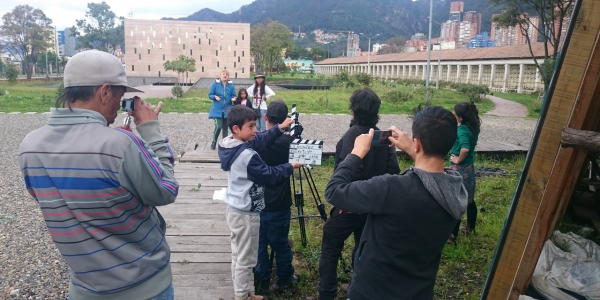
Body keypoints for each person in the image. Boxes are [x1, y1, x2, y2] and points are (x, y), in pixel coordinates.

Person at [18, 50, 179, 300]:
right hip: (143, 287)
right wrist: (150, 131)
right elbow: (166, 190)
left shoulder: (29, 145)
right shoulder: (120, 145)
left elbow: (56, 199)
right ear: (104, 92)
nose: (120, 103)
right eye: (120, 95)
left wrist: (111, 140)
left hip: (84, 287)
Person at [324, 105, 468, 300]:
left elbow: (334, 191)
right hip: (419, 291)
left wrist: (356, 153)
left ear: (417, 143)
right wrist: (413, 150)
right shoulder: (456, 191)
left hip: (372, 291)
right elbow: (433, 175)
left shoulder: (391, 189)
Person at [318, 88, 400, 300]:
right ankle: (356, 286)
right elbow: (393, 172)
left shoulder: (352, 136)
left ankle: (326, 293)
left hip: (351, 205)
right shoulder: (383, 137)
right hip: (375, 205)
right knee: (362, 246)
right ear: (377, 110)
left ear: (353, 109)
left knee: (330, 245)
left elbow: (349, 170)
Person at [217, 105, 304, 300]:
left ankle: (244, 291)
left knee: (239, 254)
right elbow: (269, 175)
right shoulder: (247, 156)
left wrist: (279, 128)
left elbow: (262, 139)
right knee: (245, 259)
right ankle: (242, 296)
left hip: (236, 208)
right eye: (250, 127)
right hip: (245, 213)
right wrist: (290, 166)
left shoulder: (230, 145)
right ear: (236, 129)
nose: (255, 130)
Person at [254, 100, 300, 295]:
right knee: (280, 243)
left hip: (257, 200)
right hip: (279, 202)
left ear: (265, 117)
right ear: (286, 121)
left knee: (260, 243)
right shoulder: (290, 142)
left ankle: (262, 280)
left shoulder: (256, 141)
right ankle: (285, 279)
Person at [447, 101, 481, 245]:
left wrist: (457, 160)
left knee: (456, 200)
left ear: (460, 117)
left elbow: (465, 148)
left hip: (459, 169)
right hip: (469, 168)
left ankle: (452, 236)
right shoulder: (473, 128)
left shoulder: (461, 130)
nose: (454, 116)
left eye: (455, 114)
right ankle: (470, 227)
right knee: (469, 200)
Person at [209, 69, 237, 150]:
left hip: (227, 109)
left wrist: (233, 98)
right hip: (217, 109)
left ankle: (224, 143)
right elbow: (210, 95)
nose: (225, 75)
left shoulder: (231, 86)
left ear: (228, 77)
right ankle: (214, 142)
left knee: (225, 128)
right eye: (223, 74)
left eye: (226, 74)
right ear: (220, 76)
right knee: (218, 126)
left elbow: (233, 95)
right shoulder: (215, 84)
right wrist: (214, 97)